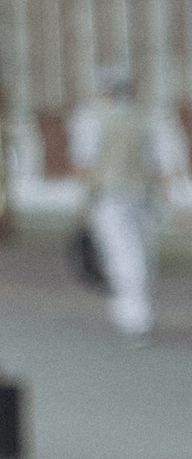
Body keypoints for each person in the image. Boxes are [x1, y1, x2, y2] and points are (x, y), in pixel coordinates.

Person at [72, 64, 163, 341]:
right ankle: (136, 315)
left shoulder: (91, 119)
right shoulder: (142, 117)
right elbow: (156, 163)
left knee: (124, 256)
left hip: (110, 199)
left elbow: (83, 165)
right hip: (140, 197)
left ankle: (134, 318)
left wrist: (84, 202)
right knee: (139, 256)